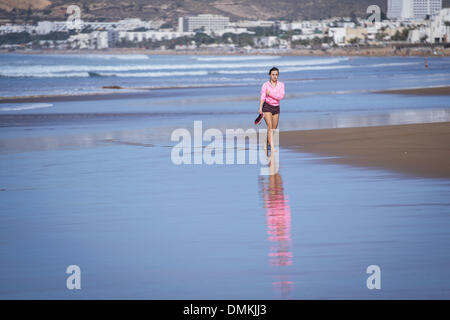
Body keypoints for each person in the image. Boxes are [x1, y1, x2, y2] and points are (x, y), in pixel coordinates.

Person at [259, 67, 285, 153]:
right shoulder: (265, 85)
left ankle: (266, 143)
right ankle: (272, 147)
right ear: (270, 75)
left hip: (276, 107)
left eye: (276, 75)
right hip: (267, 107)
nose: (275, 76)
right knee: (269, 127)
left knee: (274, 129)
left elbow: (281, 96)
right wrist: (260, 108)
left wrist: (270, 94)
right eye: (273, 74)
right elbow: (263, 96)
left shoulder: (281, 85)